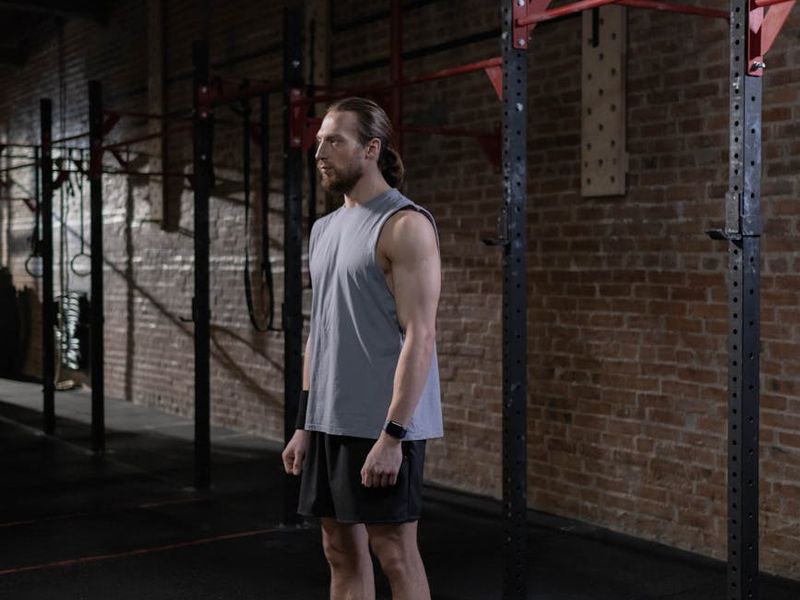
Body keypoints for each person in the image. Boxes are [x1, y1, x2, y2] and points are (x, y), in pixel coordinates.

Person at [281, 97, 443, 600]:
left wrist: (393, 436)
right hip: (330, 419)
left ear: (371, 149)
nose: (319, 152)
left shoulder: (405, 224)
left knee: (394, 551)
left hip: (382, 424)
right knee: (338, 550)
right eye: (318, 142)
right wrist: (304, 424)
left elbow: (421, 335)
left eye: (334, 141)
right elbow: (320, 333)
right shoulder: (324, 229)